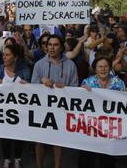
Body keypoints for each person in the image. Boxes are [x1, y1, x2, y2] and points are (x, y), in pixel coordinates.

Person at [31, 35, 78, 168]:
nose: (51, 47)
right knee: (39, 140)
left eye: (55, 45)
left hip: (60, 109)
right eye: (49, 44)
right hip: (42, 108)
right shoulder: (39, 65)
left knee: (57, 139)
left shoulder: (70, 65)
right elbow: (32, 87)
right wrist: (41, 81)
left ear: (62, 47)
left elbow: (75, 87)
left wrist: (66, 89)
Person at [80, 57, 127, 168]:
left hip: (110, 129)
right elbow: (79, 104)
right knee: (87, 158)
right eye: (100, 66)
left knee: (107, 160)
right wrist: (80, 92)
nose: (103, 69)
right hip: (91, 127)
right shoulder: (87, 82)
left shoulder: (119, 83)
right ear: (95, 69)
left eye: (106, 66)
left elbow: (125, 104)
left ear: (110, 68)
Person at [0, 44, 30, 168]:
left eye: (7, 55)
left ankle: (18, 158)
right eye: (3, 54)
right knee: (5, 136)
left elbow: (32, 92)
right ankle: (7, 159)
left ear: (15, 57)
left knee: (19, 135)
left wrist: (28, 85)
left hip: (20, 111)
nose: (4, 57)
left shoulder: (24, 70)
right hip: (3, 111)